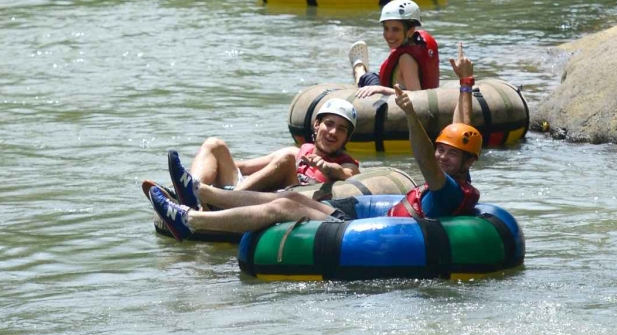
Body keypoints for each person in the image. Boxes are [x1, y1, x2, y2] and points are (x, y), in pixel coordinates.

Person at [144, 51, 484, 238]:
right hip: (362, 215)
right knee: (289, 194)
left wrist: (411, 116)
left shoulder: (448, 189)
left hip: (373, 233)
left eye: (451, 155)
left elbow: (423, 156)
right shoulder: (455, 175)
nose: (441, 156)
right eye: (440, 149)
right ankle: (200, 192)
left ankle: (191, 220)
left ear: (468, 163)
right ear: (316, 126)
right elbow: (459, 133)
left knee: (285, 206)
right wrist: (465, 84)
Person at [165, 98, 360, 200]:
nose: (333, 132)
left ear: (347, 138)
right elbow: (245, 167)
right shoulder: (297, 152)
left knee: (285, 162)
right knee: (215, 145)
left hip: (281, 201)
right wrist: (212, 166)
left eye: (341, 129)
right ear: (317, 125)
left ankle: (218, 200)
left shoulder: (346, 163)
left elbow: (345, 174)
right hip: (250, 190)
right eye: (329, 124)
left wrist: (326, 167)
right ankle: (190, 190)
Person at [349, 0, 441, 97]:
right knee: (373, 76)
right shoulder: (415, 45)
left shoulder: (406, 59)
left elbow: (416, 95)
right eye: (386, 28)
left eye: (395, 29)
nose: (389, 35)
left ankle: (358, 67)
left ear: (410, 31)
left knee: (365, 78)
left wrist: (381, 89)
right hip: (392, 86)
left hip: (395, 102)